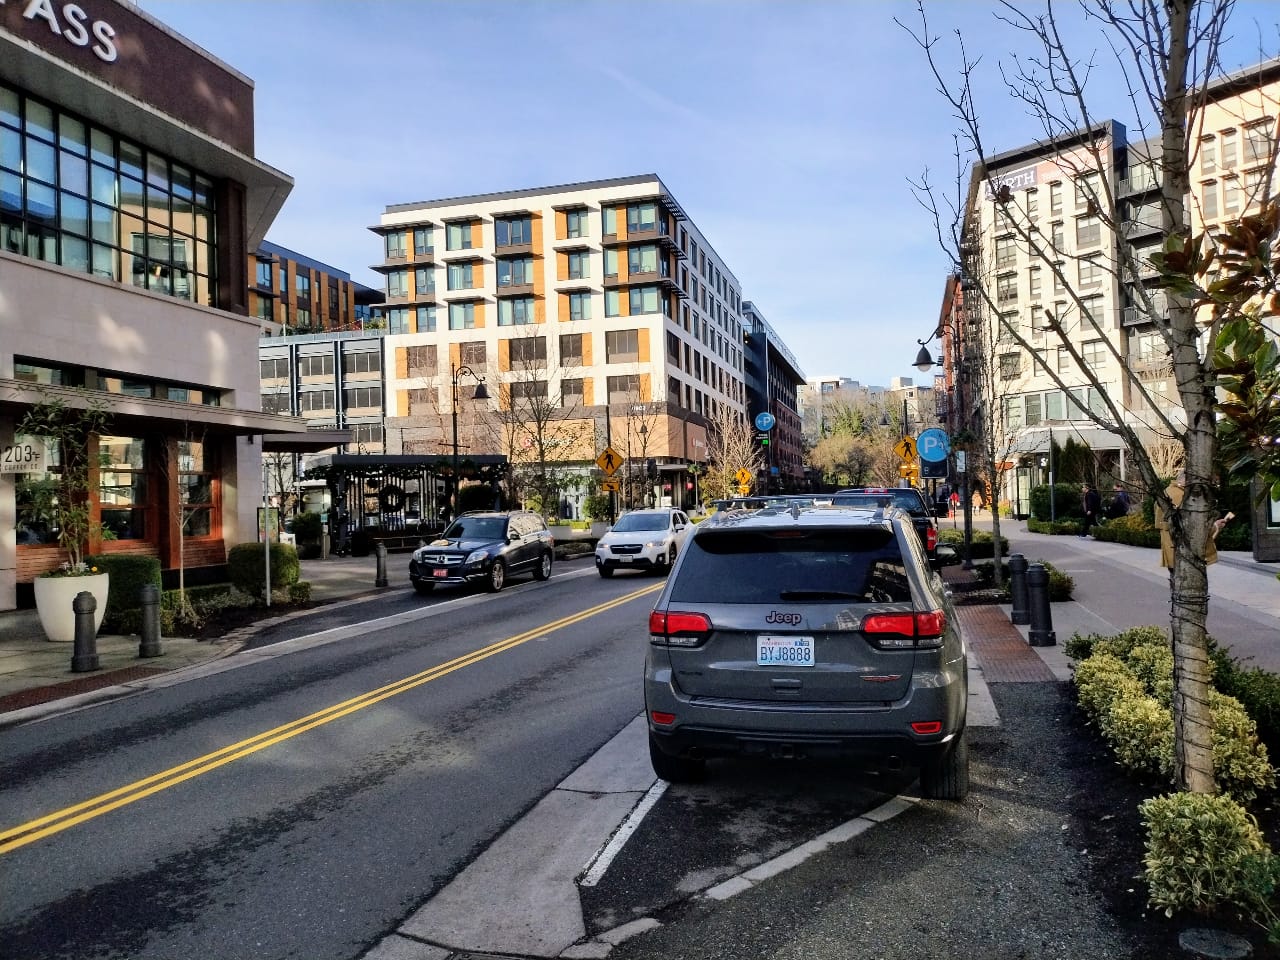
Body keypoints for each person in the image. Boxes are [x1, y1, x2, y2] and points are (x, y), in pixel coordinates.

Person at [1153, 470, 1230, 568]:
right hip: (1187, 554)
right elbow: (1194, 528)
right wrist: (1215, 526)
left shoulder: (1167, 492)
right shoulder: (1183, 497)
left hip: (1174, 550)